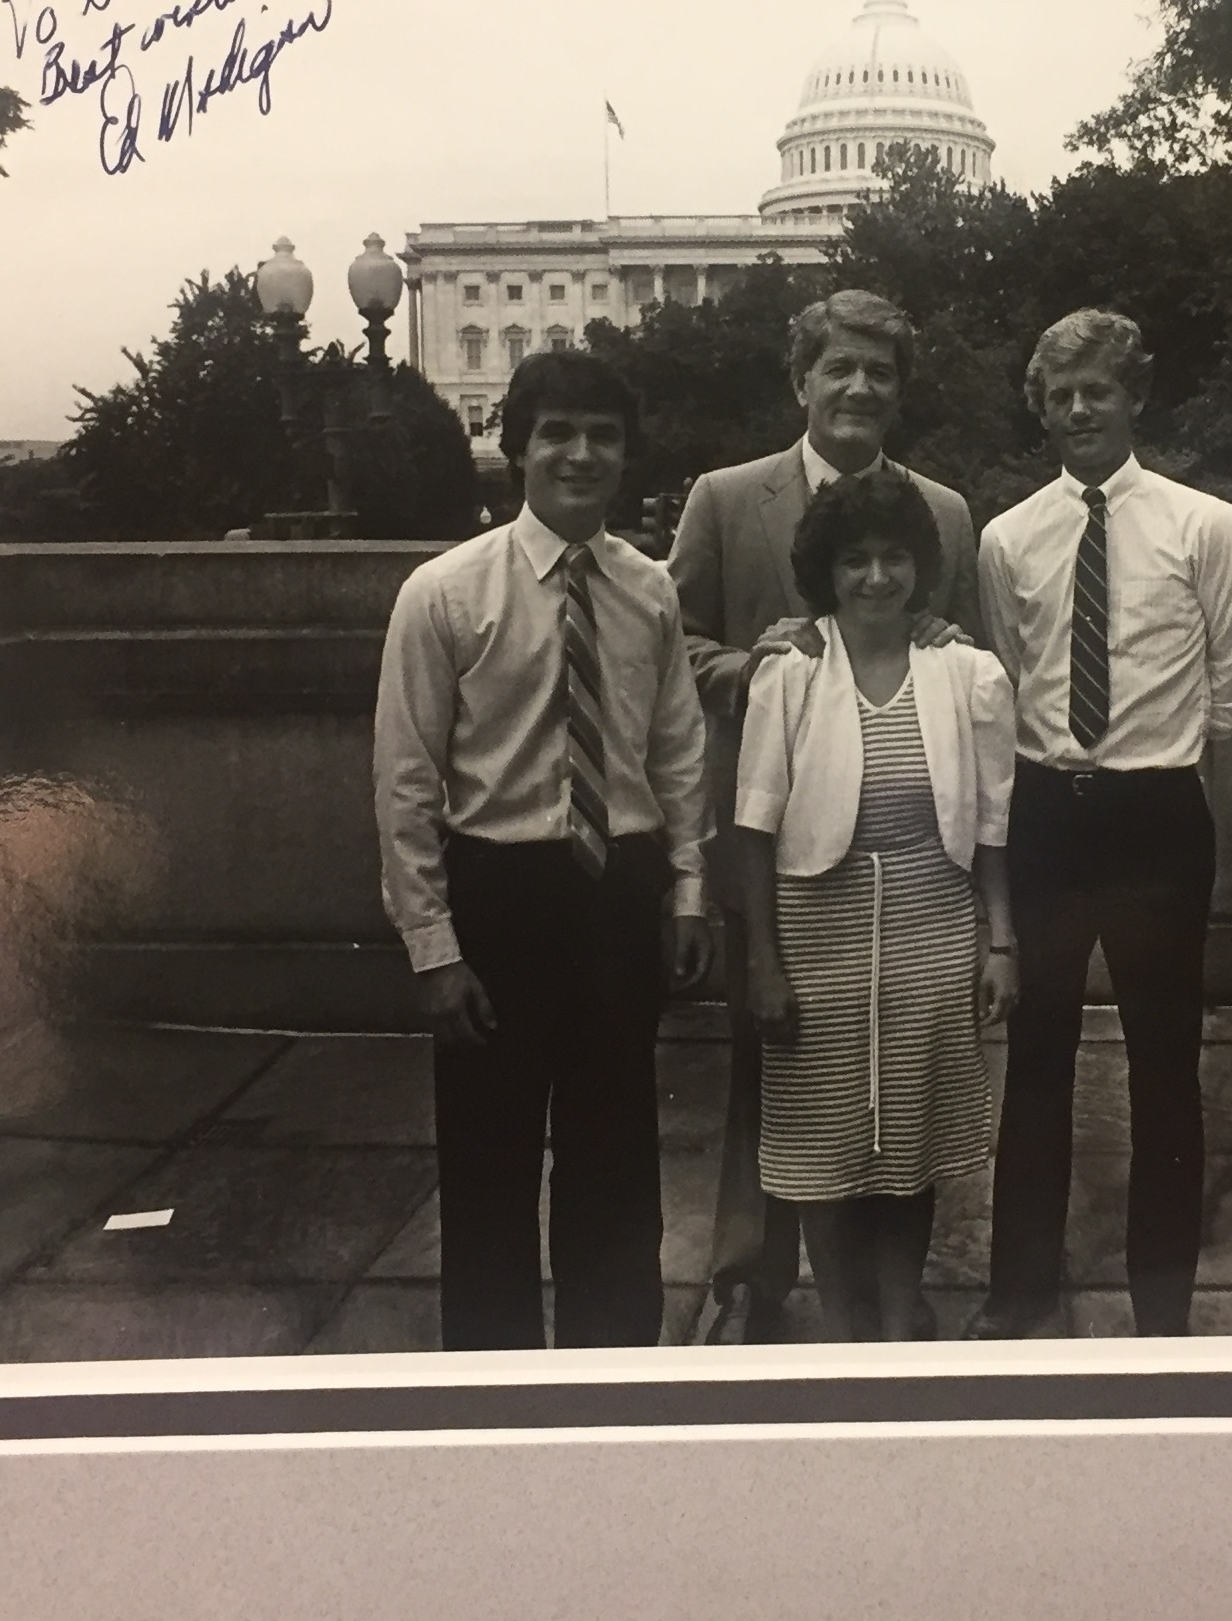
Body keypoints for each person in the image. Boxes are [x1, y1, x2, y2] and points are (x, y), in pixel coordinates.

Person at [373, 349, 713, 1349]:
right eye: (556, 433)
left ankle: (616, 1380)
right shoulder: (443, 594)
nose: (580, 453)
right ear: (515, 447)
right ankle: (494, 1390)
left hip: (617, 897)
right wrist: (434, 948)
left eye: (602, 435)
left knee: (616, 1159)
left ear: (626, 456)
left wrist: (688, 889)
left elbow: (677, 746)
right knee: (488, 1164)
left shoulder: (648, 588)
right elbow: (405, 779)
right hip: (500, 897)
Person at [668, 288, 981, 1344]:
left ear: (900, 392)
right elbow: (675, 640)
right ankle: (749, 1274)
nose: (858, 387)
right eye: (838, 367)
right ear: (800, 379)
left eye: (879, 372)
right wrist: (748, 668)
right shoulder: (725, 497)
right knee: (773, 1054)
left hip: (902, 846)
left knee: (891, 1064)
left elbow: (955, 650)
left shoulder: (941, 513)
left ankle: (887, 1287)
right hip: (773, 831)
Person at [972, 309, 1232, 1339]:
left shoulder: (1205, 525)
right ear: (1041, 409)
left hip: (1155, 815)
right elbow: (1010, 671)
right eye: (1060, 394)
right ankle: (1017, 1293)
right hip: (1051, 813)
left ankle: (1163, 1300)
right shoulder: (1008, 538)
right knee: (1037, 1062)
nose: (1080, 408)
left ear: (1137, 396)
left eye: (1099, 388)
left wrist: (1156, 755)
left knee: (1164, 1064)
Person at [726, 472, 1019, 1341]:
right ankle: (846, 1325)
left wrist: (999, 940)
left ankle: (898, 1322)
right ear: (827, 570)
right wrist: (763, 963)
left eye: (895, 557)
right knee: (824, 1146)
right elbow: (751, 826)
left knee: (912, 1144)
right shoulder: (788, 672)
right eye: (855, 560)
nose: (877, 577)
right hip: (819, 930)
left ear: (919, 567)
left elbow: (995, 825)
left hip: (934, 924)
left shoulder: (967, 670)